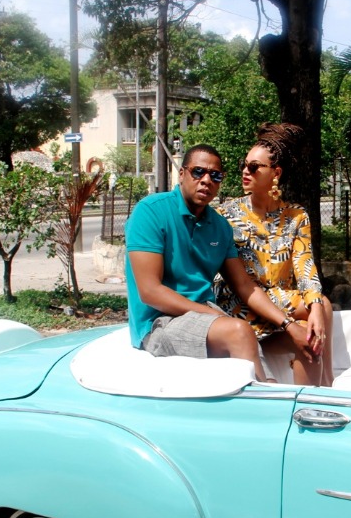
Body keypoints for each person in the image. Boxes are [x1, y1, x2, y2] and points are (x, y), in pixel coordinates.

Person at [125, 144, 315, 382]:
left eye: (215, 175)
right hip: (159, 321)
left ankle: (298, 395)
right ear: (182, 174)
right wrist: (213, 314)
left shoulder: (219, 226)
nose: (206, 180)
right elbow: (150, 292)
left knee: (304, 340)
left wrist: (288, 325)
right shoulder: (151, 211)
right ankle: (261, 399)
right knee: (239, 331)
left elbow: (244, 285)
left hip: (207, 316)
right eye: (198, 172)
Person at [215, 123, 334, 386]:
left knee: (318, 315)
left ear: (276, 173)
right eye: (244, 164)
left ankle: (323, 387)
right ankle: (327, 383)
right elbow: (238, 283)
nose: (245, 171)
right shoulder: (227, 215)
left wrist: (315, 308)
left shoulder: (296, 216)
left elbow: (305, 266)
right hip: (242, 303)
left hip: (280, 302)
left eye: (254, 167)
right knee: (320, 309)